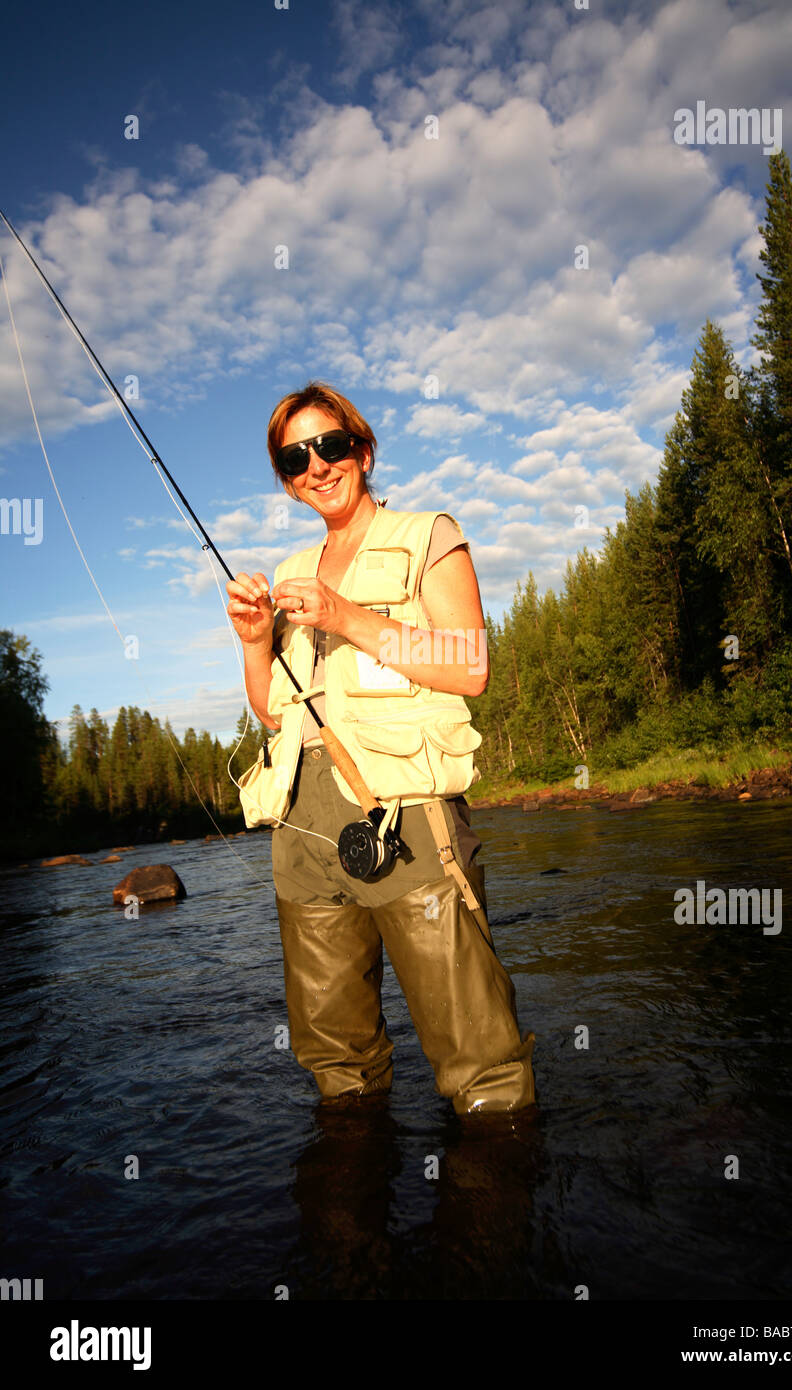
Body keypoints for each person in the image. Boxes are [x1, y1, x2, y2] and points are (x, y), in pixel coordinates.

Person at [226, 381, 535, 1115]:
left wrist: (345, 615)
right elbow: (276, 716)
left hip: (406, 815)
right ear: (287, 479)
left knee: (478, 1056)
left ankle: (494, 1202)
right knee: (337, 1062)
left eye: (330, 446)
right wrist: (252, 643)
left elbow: (469, 665)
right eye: (296, 458)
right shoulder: (293, 569)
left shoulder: (430, 535)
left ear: (362, 450)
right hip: (304, 825)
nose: (318, 466)